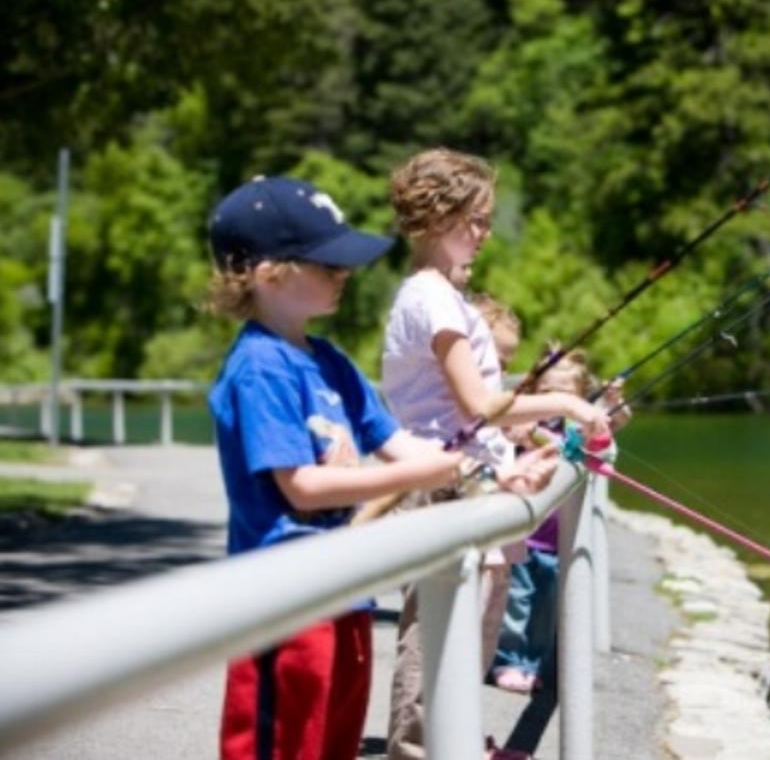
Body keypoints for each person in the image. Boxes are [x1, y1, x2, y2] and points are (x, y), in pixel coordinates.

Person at [205, 176, 557, 760]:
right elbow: (304, 487)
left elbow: (407, 448)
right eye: (327, 264)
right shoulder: (259, 369)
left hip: (347, 594)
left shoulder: (329, 362)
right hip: (283, 604)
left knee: (336, 744)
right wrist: (421, 477)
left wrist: (497, 479)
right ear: (270, 275)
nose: (345, 273)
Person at [381, 148, 610, 760]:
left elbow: (475, 406)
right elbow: (479, 401)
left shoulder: (445, 295)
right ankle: (418, 750)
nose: (485, 233)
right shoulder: (429, 298)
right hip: (437, 479)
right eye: (475, 219)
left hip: (464, 474)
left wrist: (511, 460)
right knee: (431, 631)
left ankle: (451, 741)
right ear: (437, 217)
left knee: (462, 624)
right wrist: (570, 409)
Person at [490, 347, 631, 695]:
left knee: (545, 607)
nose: (555, 400)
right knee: (517, 600)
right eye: (547, 393)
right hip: (525, 533)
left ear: (580, 397)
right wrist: (528, 432)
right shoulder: (524, 423)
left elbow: (613, 425)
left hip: (559, 539)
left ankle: (534, 662)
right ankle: (508, 660)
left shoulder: (579, 425)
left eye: (565, 395)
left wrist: (614, 402)